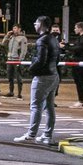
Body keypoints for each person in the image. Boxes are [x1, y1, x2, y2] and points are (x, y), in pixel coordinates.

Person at [15, 15, 60, 145]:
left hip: (43, 77)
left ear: (40, 25)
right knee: (50, 106)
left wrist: (31, 69)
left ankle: (31, 135)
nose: (34, 25)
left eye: (36, 23)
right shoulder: (53, 39)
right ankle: (47, 135)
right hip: (54, 75)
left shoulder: (42, 41)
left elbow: (41, 60)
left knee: (36, 106)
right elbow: (57, 59)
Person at [67, 20, 83, 107]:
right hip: (76, 61)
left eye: (75, 28)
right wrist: (66, 45)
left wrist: (66, 47)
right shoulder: (79, 38)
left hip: (82, 61)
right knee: (78, 81)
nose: (74, 29)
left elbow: (77, 48)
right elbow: (75, 47)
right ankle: (80, 100)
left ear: (80, 29)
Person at [5, 25, 29, 97]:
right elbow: (3, 43)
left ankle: (19, 93)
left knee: (18, 77)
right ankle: (11, 92)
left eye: (15, 28)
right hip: (10, 59)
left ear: (19, 29)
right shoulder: (11, 37)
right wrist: (7, 36)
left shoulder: (23, 38)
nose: (13, 29)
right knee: (10, 77)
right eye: (13, 28)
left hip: (17, 60)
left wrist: (20, 59)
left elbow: (23, 50)